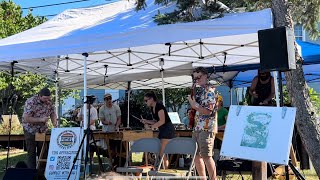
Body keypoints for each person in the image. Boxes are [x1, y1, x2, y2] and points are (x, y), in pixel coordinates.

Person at [187, 67, 217, 180]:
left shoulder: (209, 92)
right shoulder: (201, 91)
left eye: (198, 77)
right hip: (197, 127)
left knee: (206, 156)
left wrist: (194, 105)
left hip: (206, 128)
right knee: (196, 156)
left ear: (205, 76)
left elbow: (208, 111)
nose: (196, 80)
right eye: (194, 78)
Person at [22, 87, 57, 169]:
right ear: (39, 96)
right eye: (45, 98)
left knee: (43, 151)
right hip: (30, 129)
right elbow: (26, 118)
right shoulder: (31, 102)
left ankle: (42, 173)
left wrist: (55, 123)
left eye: (48, 98)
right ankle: (32, 173)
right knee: (32, 152)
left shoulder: (49, 101)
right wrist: (41, 119)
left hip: (42, 130)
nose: (47, 100)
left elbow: (52, 113)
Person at [141, 91, 175, 169]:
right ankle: (164, 170)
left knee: (162, 152)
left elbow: (162, 121)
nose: (145, 102)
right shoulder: (153, 108)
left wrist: (151, 127)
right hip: (163, 130)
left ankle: (165, 171)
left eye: (146, 100)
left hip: (167, 129)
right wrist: (146, 121)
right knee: (161, 152)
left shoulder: (159, 106)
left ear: (152, 99)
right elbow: (156, 121)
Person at [99, 93, 121, 166]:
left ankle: (115, 162)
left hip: (115, 129)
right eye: (107, 99)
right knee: (108, 147)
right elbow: (102, 120)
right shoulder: (102, 108)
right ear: (105, 100)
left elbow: (119, 118)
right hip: (106, 130)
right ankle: (110, 161)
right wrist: (107, 122)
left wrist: (117, 126)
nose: (109, 100)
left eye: (110, 98)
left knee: (116, 146)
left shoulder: (116, 107)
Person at [77, 99, 98, 164]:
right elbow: (78, 118)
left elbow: (94, 120)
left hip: (91, 128)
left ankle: (91, 159)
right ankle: (83, 158)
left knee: (91, 144)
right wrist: (79, 117)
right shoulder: (82, 108)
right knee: (82, 144)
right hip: (82, 129)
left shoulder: (94, 110)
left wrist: (87, 125)